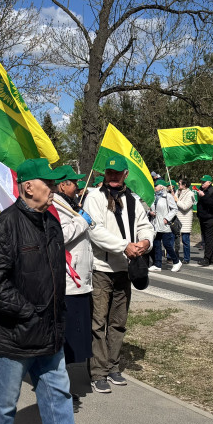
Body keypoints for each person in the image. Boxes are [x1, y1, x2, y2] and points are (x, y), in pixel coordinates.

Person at [0, 158, 81, 424]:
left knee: (59, 400)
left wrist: (54, 315)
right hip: (13, 337)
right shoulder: (6, 224)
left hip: (49, 336)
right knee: (3, 408)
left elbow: (54, 275)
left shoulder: (51, 221)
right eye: (47, 183)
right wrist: (28, 312)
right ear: (28, 187)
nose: (52, 188)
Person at [83, 152, 154, 394]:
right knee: (97, 323)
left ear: (126, 174)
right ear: (104, 174)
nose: (112, 177)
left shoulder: (133, 199)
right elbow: (95, 230)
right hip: (101, 269)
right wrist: (124, 245)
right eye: (109, 172)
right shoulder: (93, 197)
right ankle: (97, 371)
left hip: (124, 269)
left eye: (117, 173)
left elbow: (145, 225)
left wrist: (145, 242)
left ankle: (112, 366)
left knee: (118, 322)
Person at [51, 165, 95, 413]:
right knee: (66, 338)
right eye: (73, 182)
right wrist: (82, 221)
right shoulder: (55, 205)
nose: (78, 186)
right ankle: (60, 390)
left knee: (74, 338)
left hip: (80, 282)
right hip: (68, 283)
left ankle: (63, 386)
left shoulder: (70, 204)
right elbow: (60, 235)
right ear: (62, 185)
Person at [150, 178, 181, 272]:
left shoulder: (167, 196)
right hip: (155, 224)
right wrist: (150, 212)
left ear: (161, 187)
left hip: (165, 224)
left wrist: (167, 218)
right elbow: (150, 207)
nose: (155, 187)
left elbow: (174, 209)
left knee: (167, 244)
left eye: (156, 185)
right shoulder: (154, 196)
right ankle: (157, 264)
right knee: (156, 244)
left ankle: (176, 262)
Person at [195, 175, 213, 266]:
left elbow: (212, 204)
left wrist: (204, 196)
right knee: (206, 238)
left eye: (204, 182)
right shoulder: (201, 190)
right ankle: (210, 258)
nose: (202, 184)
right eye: (201, 182)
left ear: (209, 182)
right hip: (203, 217)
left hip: (210, 218)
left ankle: (207, 259)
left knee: (209, 238)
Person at [174, 179, 194, 264]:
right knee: (175, 240)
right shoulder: (178, 192)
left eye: (179, 183)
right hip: (176, 219)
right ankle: (175, 256)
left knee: (185, 241)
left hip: (185, 220)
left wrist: (177, 200)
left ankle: (186, 258)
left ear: (184, 184)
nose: (178, 185)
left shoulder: (190, 194)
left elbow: (185, 207)